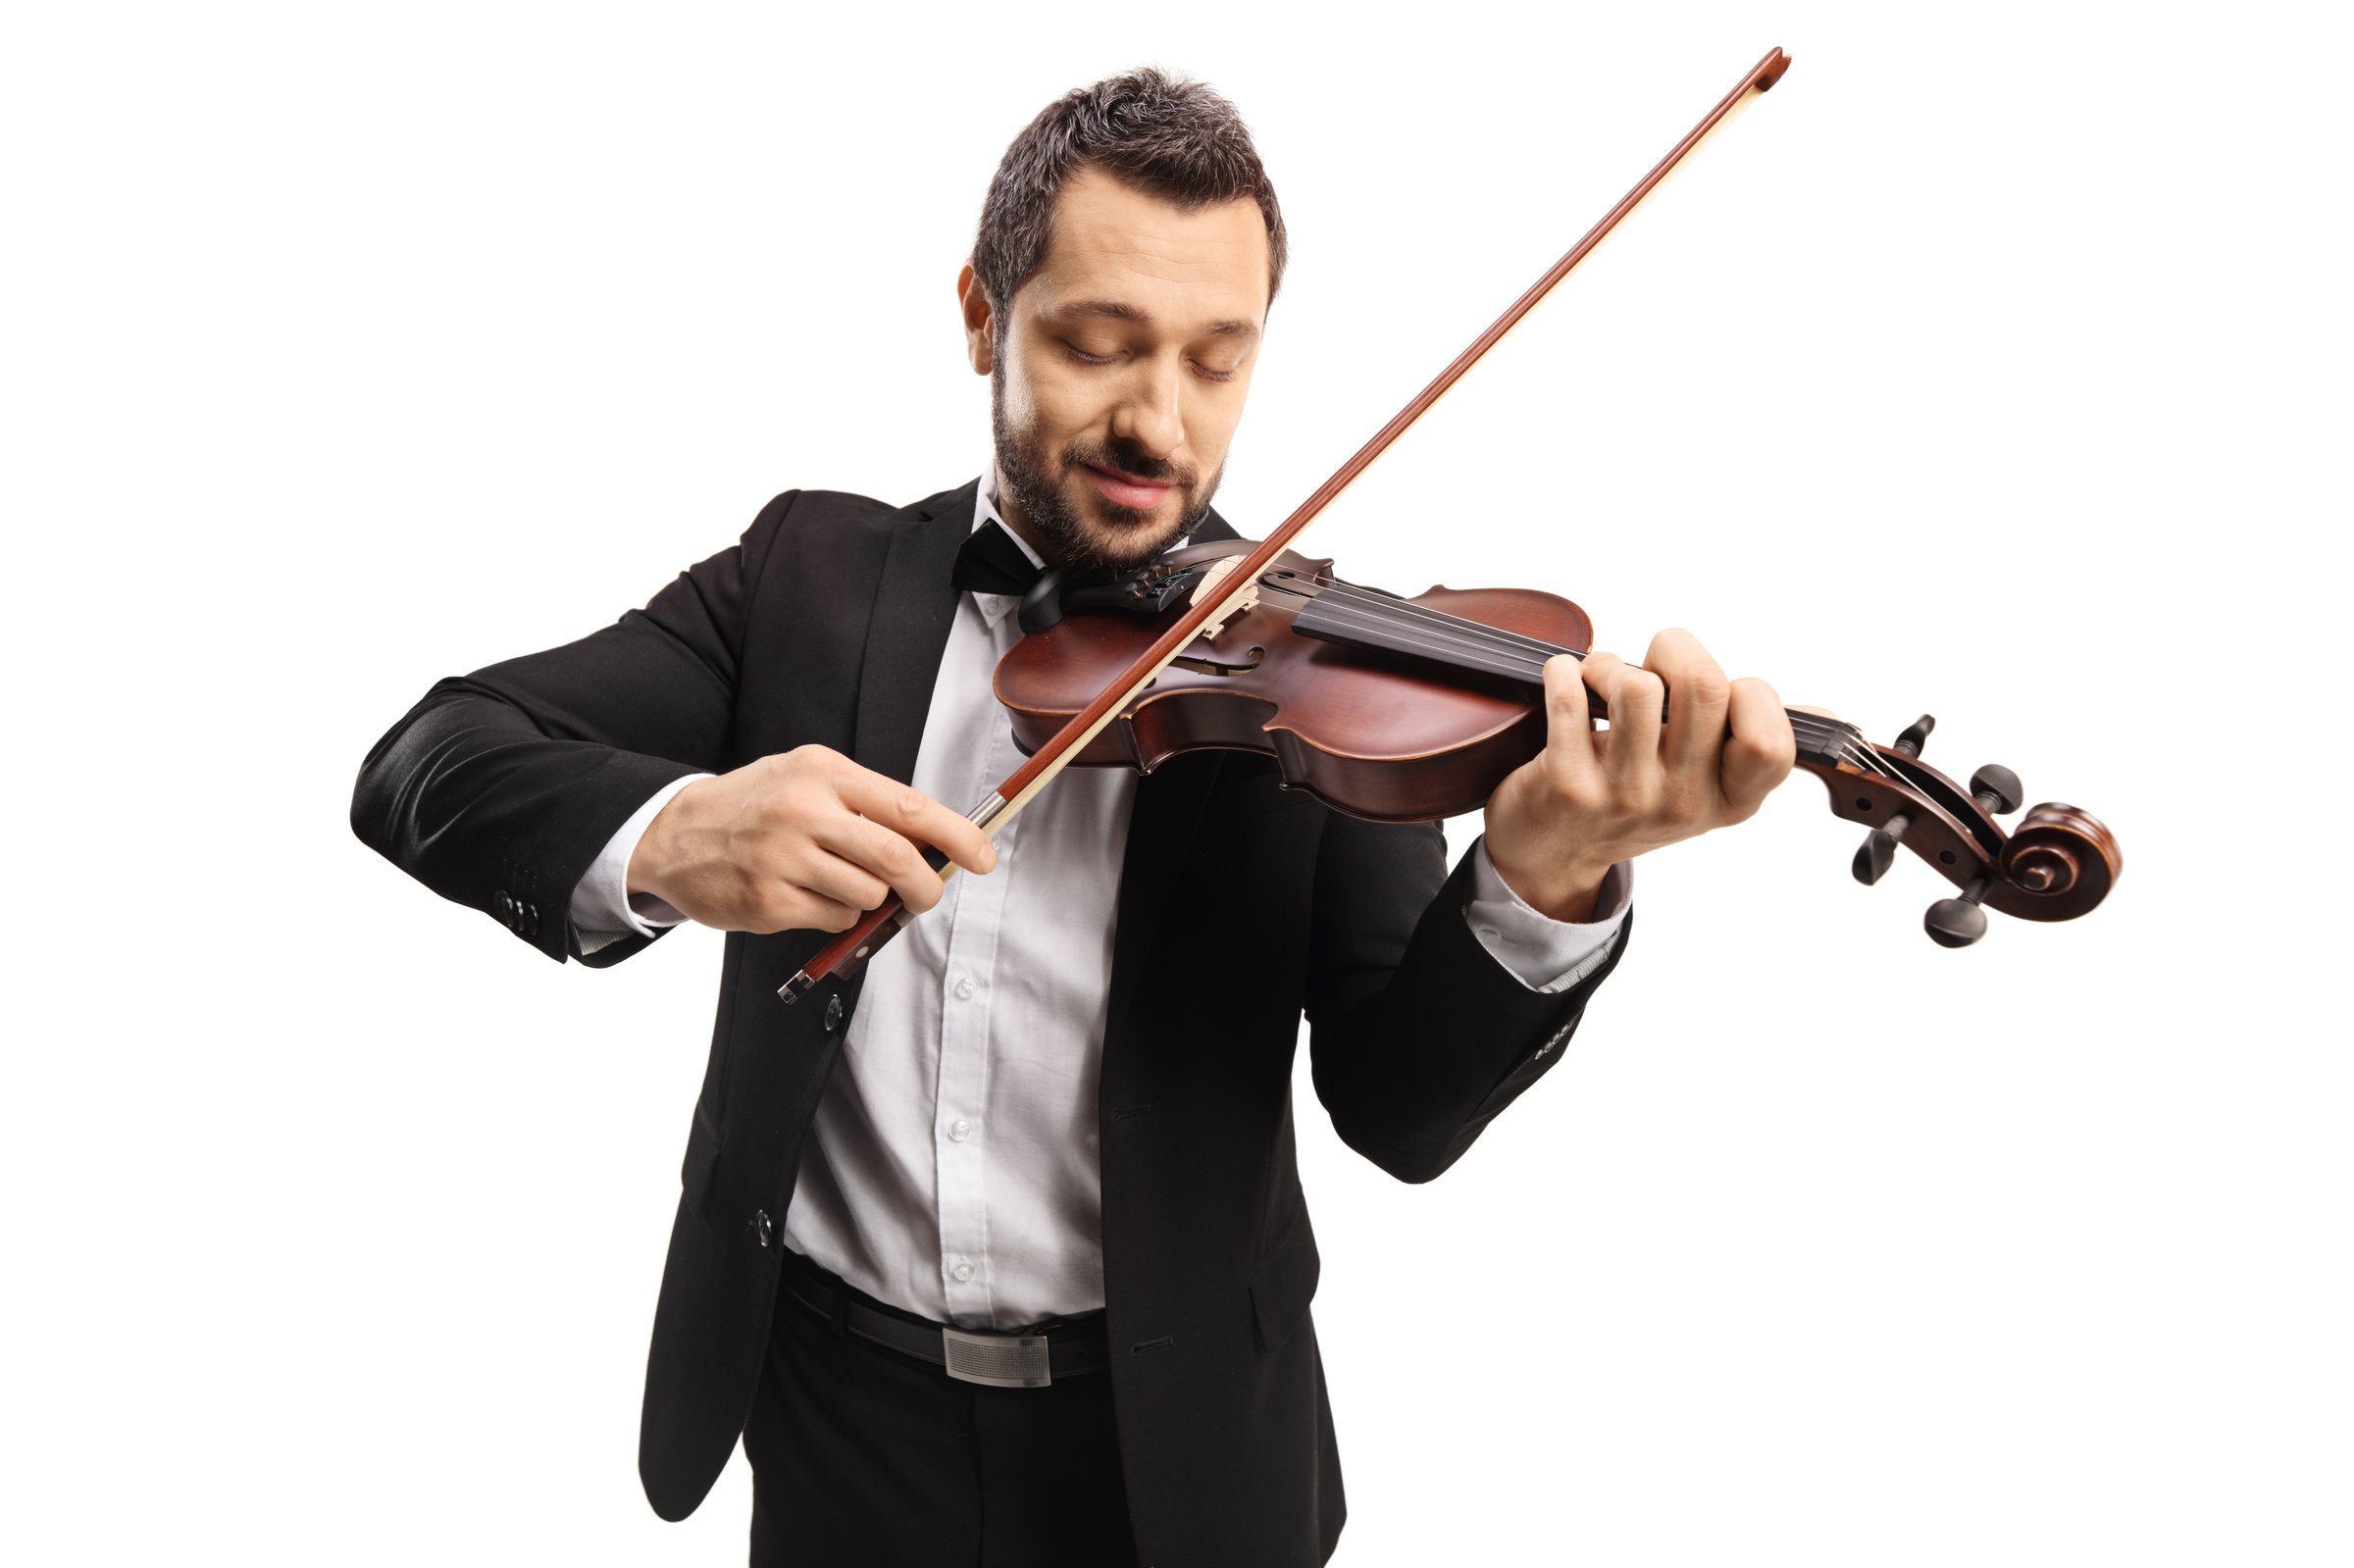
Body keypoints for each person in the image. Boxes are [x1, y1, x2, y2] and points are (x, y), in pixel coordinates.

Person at [351, 67, 1796, 1566]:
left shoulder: (1329, 666)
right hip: (831, 1411)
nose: (1158, 423)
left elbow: (1403, 1111)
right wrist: (677, 835)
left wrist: (1545, 873)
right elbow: (433, 757)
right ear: (984, 315)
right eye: (1100, 346)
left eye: (1215, 362)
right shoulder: (805, 576)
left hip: (1167, 1462)